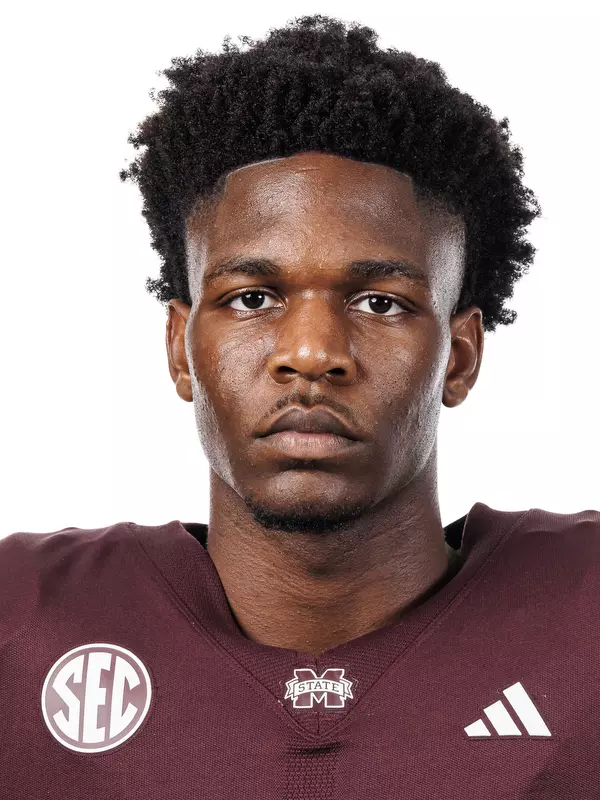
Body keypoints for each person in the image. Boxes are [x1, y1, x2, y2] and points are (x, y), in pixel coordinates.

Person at [1, 13, 598, 799]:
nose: (312, 353)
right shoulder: (23, 621)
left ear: (459, 357)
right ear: (180, 347)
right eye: (252, 298)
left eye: (380, 303)